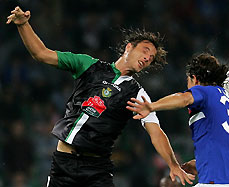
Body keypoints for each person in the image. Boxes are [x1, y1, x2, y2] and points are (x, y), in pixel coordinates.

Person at [6, 6, 195, 187]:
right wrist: (23, 25)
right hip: (64, 163)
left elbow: (156, 131)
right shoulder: (88, 65)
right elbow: (41, 54)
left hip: (97, 169)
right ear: (129, 47)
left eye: (151, 58)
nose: (147, 58)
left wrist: (172, 164)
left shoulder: (136, 93)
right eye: (145, 50)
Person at [127, 53, 229, 187]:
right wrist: (198, 164)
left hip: (214, 183)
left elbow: (184, 98)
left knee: (167, 184)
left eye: (188, 81)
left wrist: (151, 106)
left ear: (195, 79)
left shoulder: (205, 91)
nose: (188, 86)